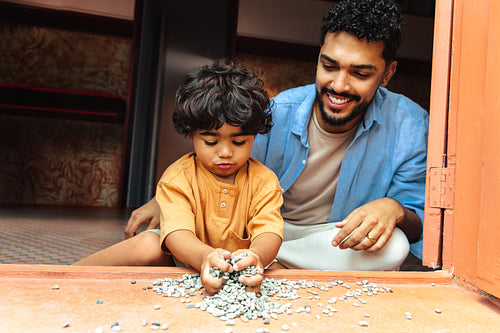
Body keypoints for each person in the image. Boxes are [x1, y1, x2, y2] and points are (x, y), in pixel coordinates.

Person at [77, 0, 428, 271]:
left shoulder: (410, 128)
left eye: (360, 73)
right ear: (318, 56)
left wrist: (394, 209)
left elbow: (417, 226)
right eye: (329, 66)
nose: (338, 85)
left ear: (388, 73)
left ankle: (254, 262)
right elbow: (218, 162)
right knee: (168, 238)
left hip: (328, 238)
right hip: (250, 228)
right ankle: (262, 265)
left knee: (393, 246)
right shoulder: (277, 112)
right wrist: (169, 202)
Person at [74, 61, 284, 293]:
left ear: (254, 136)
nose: (225, 152)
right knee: (148, 244)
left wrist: (256, 256)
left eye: (239, 141)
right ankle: (69, 274)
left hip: (240, 267)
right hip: (183, 260)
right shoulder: (178, 176)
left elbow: (269, 231)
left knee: (281, 270)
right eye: (211, 141)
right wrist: (204, 256)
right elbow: (177, 233)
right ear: (190, 134)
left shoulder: (265, 181)